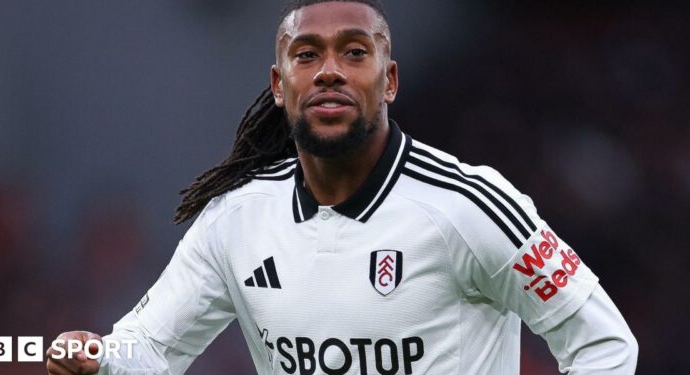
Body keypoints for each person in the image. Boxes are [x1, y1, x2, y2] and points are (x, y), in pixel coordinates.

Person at [46, 1, 638, 374]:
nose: (329, 69)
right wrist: (99, 359)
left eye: (354, 52)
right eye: (308, 55)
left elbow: (605, 346)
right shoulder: (237, 218)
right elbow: (148, 349)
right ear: (280, 86)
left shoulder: (470, 206)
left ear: (390, 81)